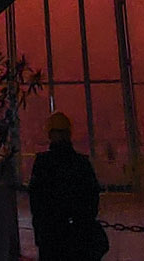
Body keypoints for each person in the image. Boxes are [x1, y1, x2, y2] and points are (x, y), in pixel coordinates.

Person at [29, 111, 106, 261]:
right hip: (78, 235)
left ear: (50, 135)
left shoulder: (43, 164)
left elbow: (36, 202)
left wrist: (40, 234)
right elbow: (92, 198)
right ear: (69, 134)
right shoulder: (81, 164)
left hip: (52, 237)